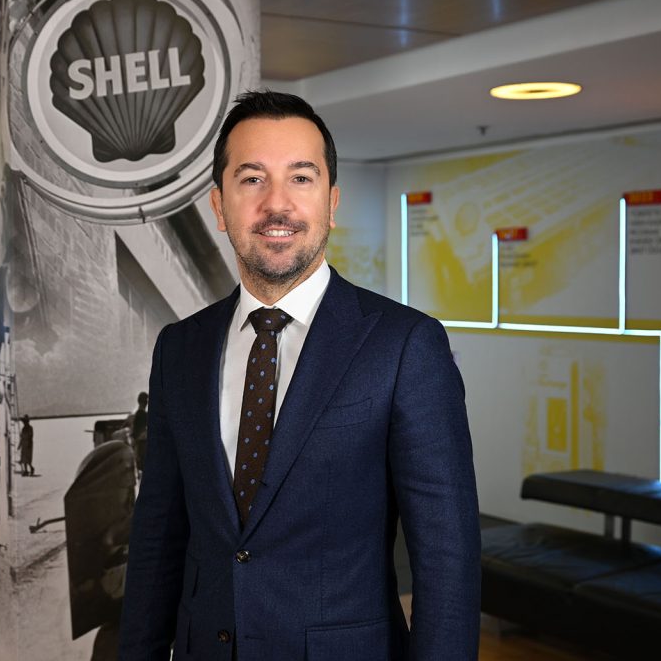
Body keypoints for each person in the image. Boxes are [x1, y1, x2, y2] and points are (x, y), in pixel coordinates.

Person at [119, 91, 480, 660]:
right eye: (252, 179)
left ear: (331, 202)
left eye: (301, 178)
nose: (277, 204)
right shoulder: (179, 349)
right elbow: (157, 535)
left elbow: (447, 557)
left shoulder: (405, 345)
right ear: (219, 205)